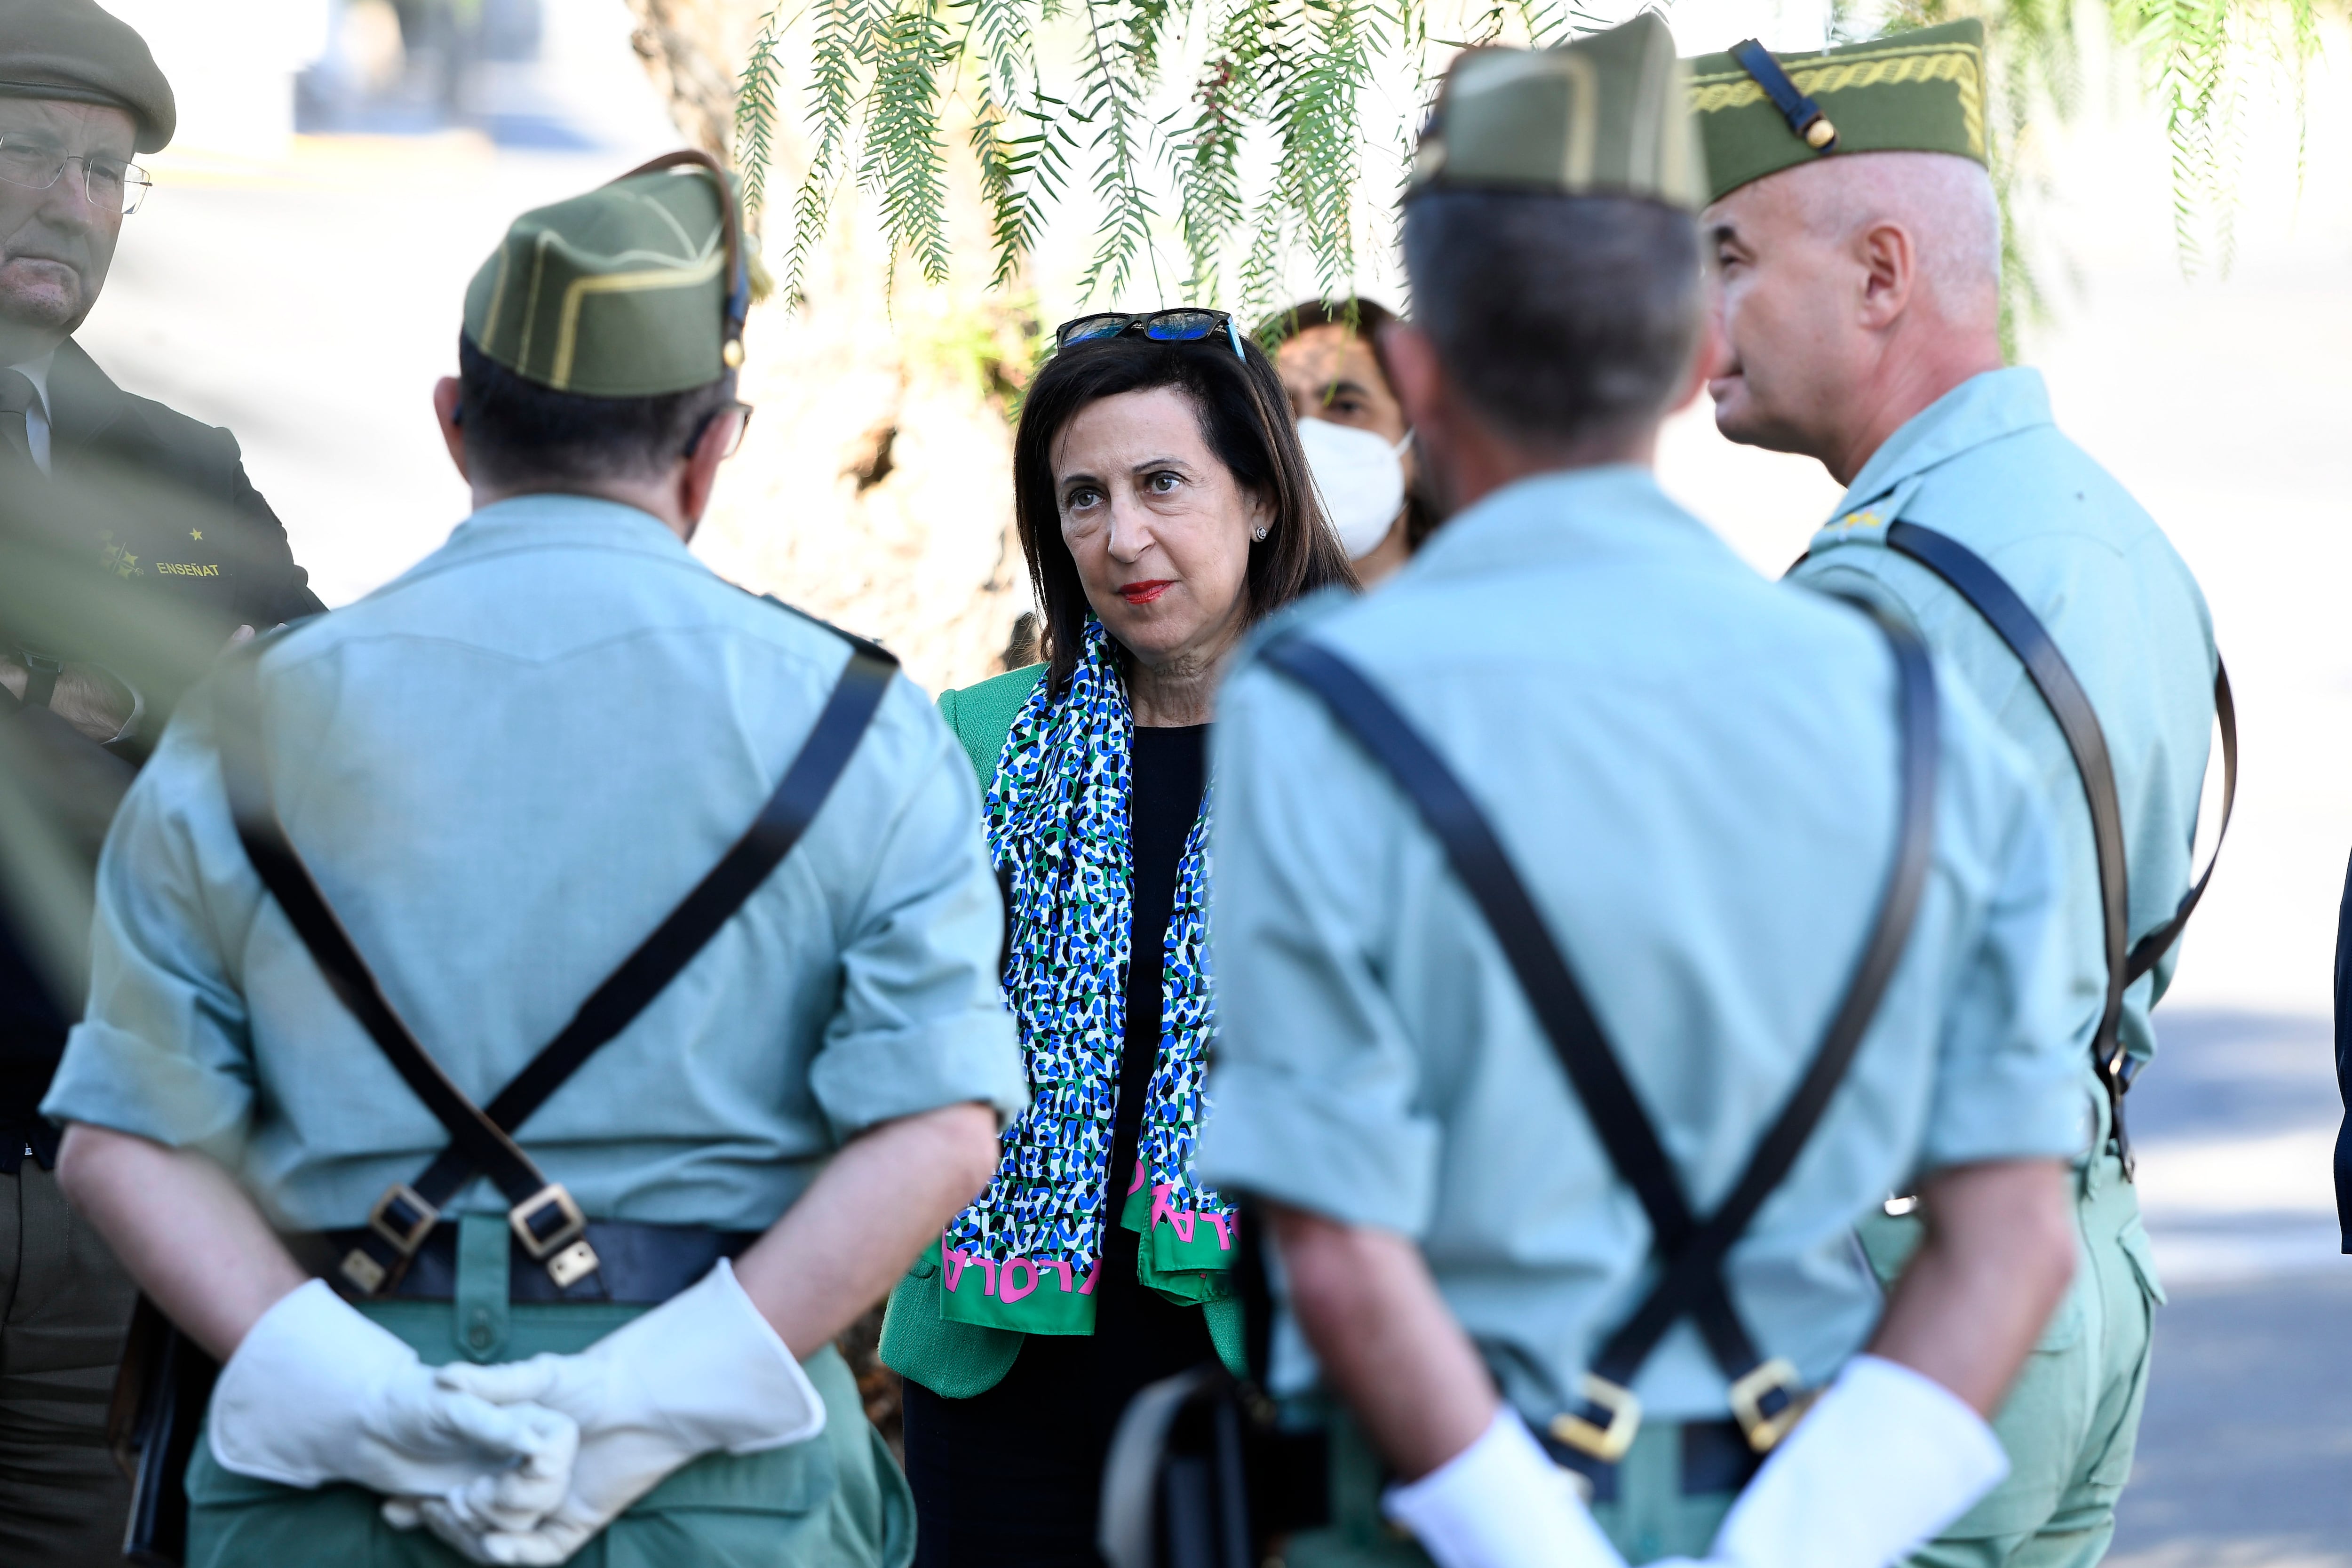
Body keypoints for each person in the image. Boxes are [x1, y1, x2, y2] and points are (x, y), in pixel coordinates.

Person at [41, 152, 1028, 1567]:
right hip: (714, 1494)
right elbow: (939, 1129)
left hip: (332, 1486)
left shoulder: (241, 719)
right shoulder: (856, 725)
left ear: (455, 422)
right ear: (712, 447)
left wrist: (357, 1394)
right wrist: (638, 1404)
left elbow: (121, 1137)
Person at [1195, 15, 2090, 1568]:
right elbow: (2014, 1234)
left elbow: (1337, 1256)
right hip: (1787, 1501)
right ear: (1695, 354)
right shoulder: (1911, 703)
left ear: (1418, 370)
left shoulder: (1317, 702)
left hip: (1427, 1518)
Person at [1692, 23, 2225, 1565]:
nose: (1694, 313)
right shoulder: (2110, 529)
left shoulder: (1877, 593)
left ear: (1878, 275)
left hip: (1888, 1290)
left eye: (1728, 257)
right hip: (2084, 1260)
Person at [878, 307, 1356, 1566]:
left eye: (1161, 484)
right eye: (1081, 497)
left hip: (1269, 1368)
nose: (1122, 535)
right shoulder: (975, 740)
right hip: (1001, 1378)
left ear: (1259, 498)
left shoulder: (1369, 745)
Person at [0, 2, 325, 1560]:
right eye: (26, 154)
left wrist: (109, 692)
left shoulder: (184, 465)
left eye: (107, 174)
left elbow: (319, 740)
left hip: (99, 1210)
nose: (72, 199)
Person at [1266, 298, 1431, 585]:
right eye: (1281, 415)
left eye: (1346, 407)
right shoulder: (1229, 626)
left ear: (1419, 431)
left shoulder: (1495, 605)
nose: (1304, 439)